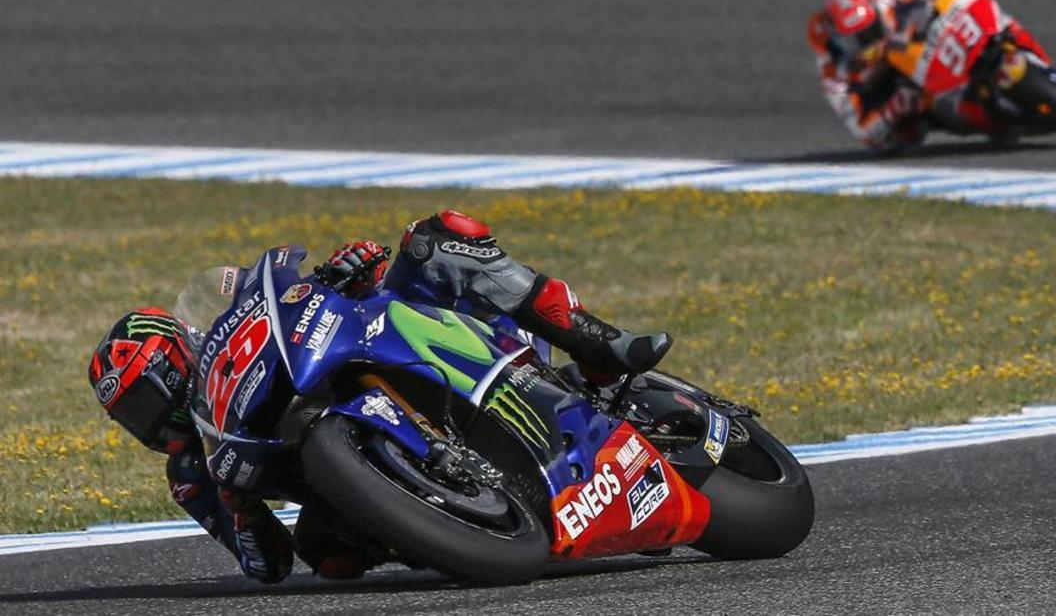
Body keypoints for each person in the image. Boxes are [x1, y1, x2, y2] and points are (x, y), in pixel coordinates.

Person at [86, 209, 671, 583]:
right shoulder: (192, 473)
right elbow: (267, 565)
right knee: (329, 558)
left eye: (148, 397)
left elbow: (285, 299)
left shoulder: (228, 339)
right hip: (343, 476)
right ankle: (451, 524)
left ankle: (599, 346)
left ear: (180, 354)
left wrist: (341, 273)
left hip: (389, 343)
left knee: (437, 239)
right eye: (133, 416)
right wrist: (239, 510)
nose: (154, 421)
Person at [806, 0, 1050, 152]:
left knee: (1000, 22)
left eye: (868, 31)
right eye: (854, 39)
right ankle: (998, 123)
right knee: (937, 111)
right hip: (911, 92)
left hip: (932, 43)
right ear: (836, 39)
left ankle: (1041, 61)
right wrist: (896, 106)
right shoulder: (833, 73)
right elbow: (864, 132)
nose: (864, 42)